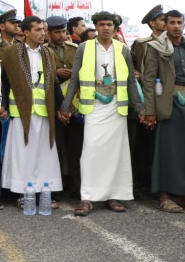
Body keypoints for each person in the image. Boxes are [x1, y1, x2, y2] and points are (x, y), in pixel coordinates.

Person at [60, 11, 140, 215]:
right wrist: (66, 105)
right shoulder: (84, 48)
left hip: (116, 106)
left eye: (109, 25)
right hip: (93, 106)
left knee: (116, 153)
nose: (106, 28)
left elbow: (131, 80)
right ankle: (88, 198)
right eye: (102, 24)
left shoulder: (123, 49)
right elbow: (75, 79)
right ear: (96, 27)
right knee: (91, 152)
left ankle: (114, 196)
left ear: (114, 27)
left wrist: (140, 108)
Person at [141, 10, 185, 212]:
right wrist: (150, 110)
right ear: (165, 24)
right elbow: (148, 80)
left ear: (183, 24)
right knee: (167, 152)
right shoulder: (155, 47)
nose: (175, 26)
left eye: (179, 22)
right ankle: (164, 196)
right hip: (167, 104)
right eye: (171, 22)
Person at [0, 16, 62, 207]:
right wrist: (1, 104)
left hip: (44, 111)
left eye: (44, 29)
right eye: (38, 30)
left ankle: (45, 191)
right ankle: (23, 194)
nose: (43, 33)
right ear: (26, 33)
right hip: (21, 111)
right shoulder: (11, 53)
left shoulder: (48, 53)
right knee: (23, 153)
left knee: (45, 153)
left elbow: (54, 83)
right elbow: (5, 80)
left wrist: (63, 107)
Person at [129, 4, 165, 198]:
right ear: (152, 23)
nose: (167, 24)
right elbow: (138, 72)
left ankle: (158, 184)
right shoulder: (142, 44)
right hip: (147, 99)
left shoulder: (175, 42)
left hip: (167, 99)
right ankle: (139, 183)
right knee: (142, 144)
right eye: (162, 20)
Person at [44, 15, 81, 200]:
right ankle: (55, 189)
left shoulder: (74, 49)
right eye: (57, 32)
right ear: (48, 33)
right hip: (52, 106)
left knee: (76, 150)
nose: (61, 35)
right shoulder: (43, 51)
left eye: (63, 31)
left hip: (74, 105)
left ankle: (76, 189)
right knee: (55, 150)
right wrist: (55, 73)